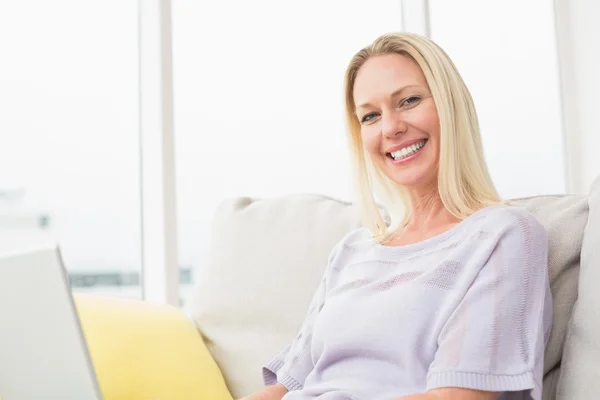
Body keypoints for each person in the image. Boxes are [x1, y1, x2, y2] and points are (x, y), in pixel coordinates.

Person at [241, 32, 552, 400]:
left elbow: (455, 397)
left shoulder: (503, 235)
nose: (390, 128)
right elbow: (285, 387)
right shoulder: (351, 251)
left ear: (451, 106)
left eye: (408, 100)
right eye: (370, 116)